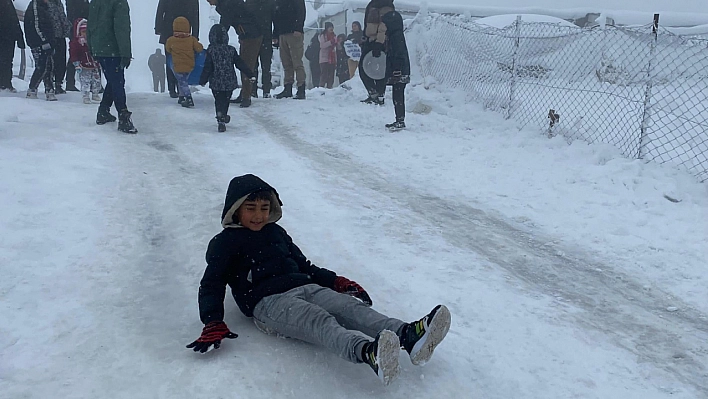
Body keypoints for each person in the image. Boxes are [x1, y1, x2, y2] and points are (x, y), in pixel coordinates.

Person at [186, 174, 452, 386]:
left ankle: (408, 335)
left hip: (305, 285)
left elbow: (305, 266)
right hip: (267, 302)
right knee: (318, 320)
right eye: (251, 209)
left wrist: (336, 282)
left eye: (264, 208)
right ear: (235, 210)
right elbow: (212, 283)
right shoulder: (224, 243)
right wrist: (212, 320)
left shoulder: (276, 232)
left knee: (350, 308)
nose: (259, 215)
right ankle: (368, 353)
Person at [88, 0, 137, 133]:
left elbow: (90, 26)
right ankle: (123, 115)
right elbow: (122, 28)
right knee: (117, 81)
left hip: (99, 48)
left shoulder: (95, 2)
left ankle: (103, 111)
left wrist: (92, 47)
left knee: (113, 79)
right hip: (113, 48)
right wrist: (125, 52)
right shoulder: (118, 2)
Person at [199, 24, 256, 132]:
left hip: (216, 82)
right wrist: (249, 74)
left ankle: (220, 118)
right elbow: (240, 64)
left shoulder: (211, 51)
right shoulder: (231, 50)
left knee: (218, 100)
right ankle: (223, 115)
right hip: (229, 81)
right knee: (226, 100)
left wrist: (203, 80)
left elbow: (208, 67)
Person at [207, 0, 262, 108]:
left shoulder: (227, 4)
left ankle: (246, 96)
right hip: (248, 34)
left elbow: (224, 25)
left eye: (209, 0)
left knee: (246, 64)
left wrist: (215, 42)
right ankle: (244, 94)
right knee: (246, 63)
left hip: (251, 35)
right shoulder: (227, 3)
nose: (209, 3)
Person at [155, 0, 199, 99]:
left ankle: (172, 88)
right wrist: (195, 34)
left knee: (170, 59)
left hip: (168, 29)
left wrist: (158, 28)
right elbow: (195, 15)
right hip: (185, 31)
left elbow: (160, 10)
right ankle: (181, 88)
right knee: (184, 59)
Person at [360, 0, 393, 105]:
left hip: (378, 41)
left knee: (378, 69)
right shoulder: (374, 3)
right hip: (370, 40)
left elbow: (384, 27)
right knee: (368, 68)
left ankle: (378, 94)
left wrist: (379, 43)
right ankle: (375, 94)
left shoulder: (385, 5)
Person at [165, 17, 204, 108]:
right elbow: (199, 48)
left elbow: (168, 49)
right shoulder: (192, 39)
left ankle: (189, 98)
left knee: (182, 82)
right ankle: (181, 97)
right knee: (183, 81)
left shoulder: (171, 40)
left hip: (177, 65)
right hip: (190, 65)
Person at [381, 9, 410, 131]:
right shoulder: (394, 35)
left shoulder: (396, 36)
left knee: (398, 96)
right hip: (399, 70)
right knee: (397, 95)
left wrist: (397, 70)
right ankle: (399, 119)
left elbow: (398, 54)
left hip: (400, 71)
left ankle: (400, 121)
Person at [272, 0, 306, 99]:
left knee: (297, 62)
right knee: (286, 62)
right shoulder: (278, 2)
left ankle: (301, 88)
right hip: (282, 33)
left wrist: (298, 28)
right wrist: (275, 34)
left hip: (294, 33)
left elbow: (301, 12)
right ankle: (288, 88)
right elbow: (276, 17)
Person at [24, 0, 57, 101]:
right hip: (38, 42)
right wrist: (44, 41)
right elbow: (36, 26)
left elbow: (48, 25)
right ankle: (32, 89)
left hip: (46, 41)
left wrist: (51, 40)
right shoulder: (35, 7)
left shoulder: (44, 6)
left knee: (49, 65)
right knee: (41, 66)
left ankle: (49, 89)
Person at [245, 0, 274, 98]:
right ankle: (262, 89)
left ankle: (257, 89)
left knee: (257, 65)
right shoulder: (269, 4)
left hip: (257, 37)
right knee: (262, 66)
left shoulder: (249, 3)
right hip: (262, 37)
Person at [68, 18, 101, 104]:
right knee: (85, 81)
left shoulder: (92, 41)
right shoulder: (77, 43)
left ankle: (95, 93)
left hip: (94, 64)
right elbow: (73, 54)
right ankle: (85, 95)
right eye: (83, 32)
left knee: (96, 80)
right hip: (83, 65)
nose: (85, 34)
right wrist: (76, 63)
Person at [0, 0, 26, 93]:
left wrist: (19, 36)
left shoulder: (8, 3)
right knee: (6, 61)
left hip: (8, 37)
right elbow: (13, 21)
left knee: (6, 61)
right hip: (7, 36)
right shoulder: (6, 4)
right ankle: (5, 84)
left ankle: (6, 83)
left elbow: (14, 21)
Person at [46, 0, 71, 94]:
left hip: (61, 36)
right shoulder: (45, 3)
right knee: (51, 61)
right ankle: (49, 84)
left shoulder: (59, 3)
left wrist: (67, 29)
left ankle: (58, 83)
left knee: (61, 61)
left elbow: (63, 17)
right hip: (50, 37)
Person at [64, 0, 90, 91]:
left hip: (82, 28)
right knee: (76, 54)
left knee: (86, 53)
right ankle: (70, 82)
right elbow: (73, 15)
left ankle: (92, 82)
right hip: (78, 29)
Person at [317, 22, 336, 89]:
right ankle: (321, 87)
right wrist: (331, 42)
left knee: (331, 74)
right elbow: (322, 45)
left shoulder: (334, 35)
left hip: (332, 58)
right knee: (324, 74)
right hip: (324, 58)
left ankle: (329, 87)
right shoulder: (323, 36)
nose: (331, 28)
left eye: (332, 27)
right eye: (329, 27)